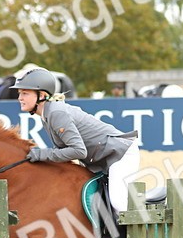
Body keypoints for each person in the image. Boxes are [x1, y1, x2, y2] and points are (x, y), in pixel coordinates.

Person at [15, 67, 140, 214]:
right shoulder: (46, 114)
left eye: (25, 93)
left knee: (118, 204)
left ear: (41, 95)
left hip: (120, 155)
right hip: (102, 159)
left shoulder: (55, 113)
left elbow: (79, 151)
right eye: (19, 93)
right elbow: (62, 152)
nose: (20, 98)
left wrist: (42, 154)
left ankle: (141, 235)